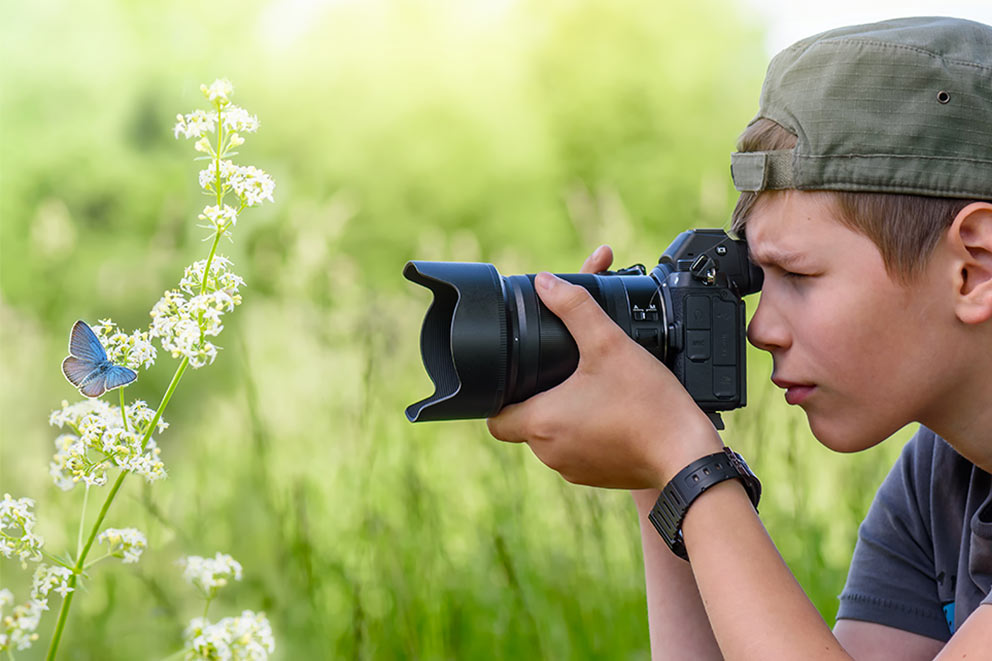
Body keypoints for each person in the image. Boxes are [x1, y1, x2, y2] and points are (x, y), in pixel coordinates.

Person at [487, 16, 992, 659]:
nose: (760, 328)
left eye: (799, 275)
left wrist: (688, 464)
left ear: (972, 268)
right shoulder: (939, 481)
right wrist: (653, 451)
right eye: (761, 278)